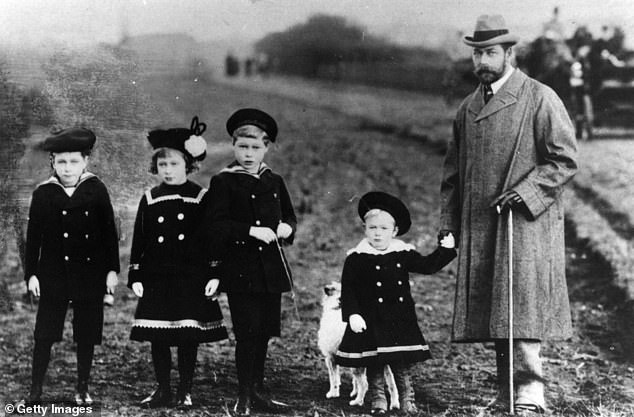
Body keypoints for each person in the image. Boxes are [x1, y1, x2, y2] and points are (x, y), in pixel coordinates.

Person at [439, 15, 578, 413]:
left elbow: (564, 159)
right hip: (483, 224)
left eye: (490, 52)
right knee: (497, 308)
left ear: (509, 54)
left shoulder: (539, 97)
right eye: (477, 53)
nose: (482, 61)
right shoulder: (468, 108)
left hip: (526, 224)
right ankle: (506, 392)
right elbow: (453, 175)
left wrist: (526, 191)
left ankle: (531, 392)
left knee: (523, 302)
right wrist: (448, 227)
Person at [128, 116, 228, 408]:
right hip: (158, 276)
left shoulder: (200, 197)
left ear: (188, 165)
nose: (168, 170)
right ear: (155, 168)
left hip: (190, 277)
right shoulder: (150, 198)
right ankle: (162, 389)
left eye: (174, 164)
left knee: (187, 334)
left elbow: (212, 240)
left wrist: (214, 274)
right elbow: (140, 240)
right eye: (162, 165)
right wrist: (136, 276)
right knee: (158, 334)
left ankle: (185, 389)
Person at [206, 108, 297, 416]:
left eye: (255, 147)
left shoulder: (274, 180)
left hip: (270, 270)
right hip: (241, 270)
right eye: (242, 147)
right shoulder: (224, 182)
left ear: (266, 148)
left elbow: (289, 217)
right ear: (233, 146)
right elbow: (215, 226)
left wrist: (287, 228)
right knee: (247, 332)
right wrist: (250, 230)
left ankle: (258, 389)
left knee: (264, 332)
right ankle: (243, 394)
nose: (248, 153)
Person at [22, 127, 120, 405]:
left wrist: (112, 270)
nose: (68, 168)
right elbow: (34, 240)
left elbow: (108, 232)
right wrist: (31, 275)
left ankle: (82, 387)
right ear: (52, 161)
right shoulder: (44, 193)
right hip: (53, 273)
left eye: (74, 161)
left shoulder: (96, 189)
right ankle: (35, 389)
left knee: (86, 332)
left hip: (90, 272)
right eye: (61, 161)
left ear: (86, 161)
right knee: (45, 332)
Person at [335, 191, 456, 415]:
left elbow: (427, 265)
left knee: (401, 363)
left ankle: (407, 400)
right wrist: (352, 314)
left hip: (398, 319)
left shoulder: (401, 253)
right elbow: (348, 288)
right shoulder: (356, 257)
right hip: (370, 319)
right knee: (374, 362)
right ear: (365, 229)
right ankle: (378, 400)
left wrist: (446, 250)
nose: (378, 234)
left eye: (384, 229)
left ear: (395, 231)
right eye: (372, 228)